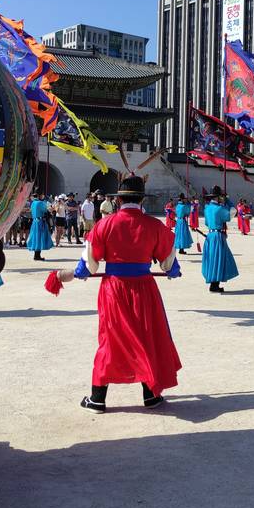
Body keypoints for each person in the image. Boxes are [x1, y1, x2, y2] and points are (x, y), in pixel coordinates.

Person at [79, 175, 182, 412]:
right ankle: (151, 396)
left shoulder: (105, 224)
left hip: (114, 288)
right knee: (147, 337)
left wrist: (81, 271)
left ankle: (97, 398)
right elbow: (168, 260)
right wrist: (173, 270)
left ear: (118, 200)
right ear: (142, 199)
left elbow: (89, 261)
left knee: (110, 338)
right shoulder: (155, 226)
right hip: (144, 287)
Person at [202, 187, 239, 292]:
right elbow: (233, 212)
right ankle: (214, 285)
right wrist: (228, 201)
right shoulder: (219, 209)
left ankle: (213, 283)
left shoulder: (207, 208)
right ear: (218, 197)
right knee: (218, 259)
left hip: (210, 235)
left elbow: (206, 223)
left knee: (212, 259)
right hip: (217, 236)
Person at [27, 192, 53, 261]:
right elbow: (46, 210)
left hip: (34, 222)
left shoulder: (32, 203)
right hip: (40, 222)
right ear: (39, 196)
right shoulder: (40, 203)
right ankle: (37, 256)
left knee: (35, 238)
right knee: (40, 238)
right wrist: (49, 208)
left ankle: (36, 255)